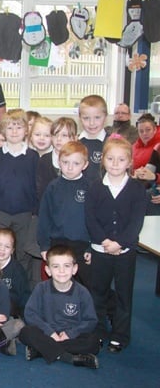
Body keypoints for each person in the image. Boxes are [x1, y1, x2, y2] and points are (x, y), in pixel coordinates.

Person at [85, 137, 146, 353]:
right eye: (110, 158)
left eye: (121, 159)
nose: (115, 163)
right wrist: (104, 241)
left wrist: (119, 243)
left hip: (125, 252)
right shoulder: (95, 187)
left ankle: (120, 335)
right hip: (100, 250)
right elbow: (90, 219)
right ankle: (99, 331)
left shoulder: (137, 190)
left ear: (130, 162)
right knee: (98, 293)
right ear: (103, 161)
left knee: (123, 294)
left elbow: (136, 222)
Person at [0, 109, 40, 288]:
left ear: (26, 131)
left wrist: (35, 213)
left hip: (25, 214)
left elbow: (37, 187)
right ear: (3, 131)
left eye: (18, 127)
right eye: (10, 128)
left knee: (22, 253)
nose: (14, 132)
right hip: (1, 212)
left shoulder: (32, 156)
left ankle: (21, 289)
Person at [19, 245, 100, 369]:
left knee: (93, 342)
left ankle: (42, 350)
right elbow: (30, 314)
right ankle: (69, 358)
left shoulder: (82, 292)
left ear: (75, 269)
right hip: (47, 333)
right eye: (56, 266)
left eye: (67, 266)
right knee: (26, 333)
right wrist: (50, 333)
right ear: (48, 270)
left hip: (70, 336)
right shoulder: (41, 288)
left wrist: (70, 334)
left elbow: (91, 321)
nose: (61, 271)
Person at [38, 141, 92, 287]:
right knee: (58, 283)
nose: (69, 167)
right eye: (65, 162)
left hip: (82, 244)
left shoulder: (90, 188)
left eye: (76, 163)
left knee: (85, 284)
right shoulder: (53, 187)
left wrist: (91, 246)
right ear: (59, 162)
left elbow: (95, 220)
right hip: (58, 243)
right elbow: (44, 218)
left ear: (85, 165)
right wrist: (44, 245)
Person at [36, 117, 77, 201]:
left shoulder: (78, 161)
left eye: (64, 135)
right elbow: (40, 190)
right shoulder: (44, 160)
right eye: (55, 135)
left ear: (74, 138)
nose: (58, 139)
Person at [0, 228, 30, 318]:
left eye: (7, 247)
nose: (2, 249)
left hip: (9, 311)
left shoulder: (17, 270)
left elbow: (24, 297)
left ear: (12, 250)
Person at [78, 94, 109, 183]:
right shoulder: (75, 143)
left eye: (97, 117)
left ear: (105, 116)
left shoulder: (112, 143)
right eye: (86, 118)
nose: (92, 123)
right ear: (80, 118)